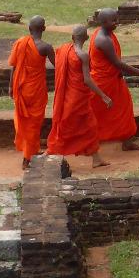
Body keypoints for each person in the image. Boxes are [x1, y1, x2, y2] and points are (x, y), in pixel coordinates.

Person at [89, 8, 139, 151]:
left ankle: (127, 140)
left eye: (117, 19)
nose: (117, 22)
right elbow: (117, 63)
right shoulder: (103, 40)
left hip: (113, 80)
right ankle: (88, 142)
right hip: (103, 83)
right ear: (103, 22)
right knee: (96, 114)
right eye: (113, 20)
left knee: (124, 110)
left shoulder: (106, 34)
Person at [46, 25, 111, 168]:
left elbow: (59, 67)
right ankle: (50, 152)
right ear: (86, 38)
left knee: (85, 127)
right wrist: (103, 95)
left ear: (72, 37)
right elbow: (87, 80)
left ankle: (96, 158)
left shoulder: (64, 50)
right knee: (71, 128)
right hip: (77, 99)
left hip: (68, 96)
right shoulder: (83, 55)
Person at [8, 16, 55, 168]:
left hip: (21, 88)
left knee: (24, 122)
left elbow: (14, 66)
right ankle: (27, 158)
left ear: (29, 29)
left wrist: (10, 86)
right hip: (36, 90)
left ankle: (31, 151)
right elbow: (58, 65)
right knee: (34, 124)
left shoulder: (20, 43)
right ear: (44, 29)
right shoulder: (46, 47)